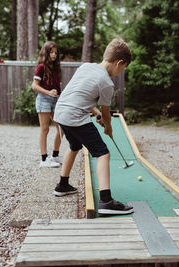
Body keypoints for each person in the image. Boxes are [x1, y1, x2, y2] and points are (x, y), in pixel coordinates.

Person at [53, 38, 134, 215]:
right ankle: (106, 201)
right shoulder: (107, 82)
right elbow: (106, 114)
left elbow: (81, 96)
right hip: (74, 116)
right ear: (119, 62)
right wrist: (108, 127)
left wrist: (96, 115)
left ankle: (63, 185)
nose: (120, 72)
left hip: (60, 113)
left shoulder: (86, 67)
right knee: (103, 153)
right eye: (123, 68)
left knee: (74, 146)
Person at [32, 41, 63, 168]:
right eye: (51, 52)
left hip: (56, 99)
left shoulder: (56, 68)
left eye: (56, 52)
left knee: (61, 128)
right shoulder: (41, 67)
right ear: (46, 52)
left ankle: (55, 155)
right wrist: (48, 92)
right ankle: (44, 159)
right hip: (44, 99)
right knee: (45, 129)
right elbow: (34, 86)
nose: (54, 55)